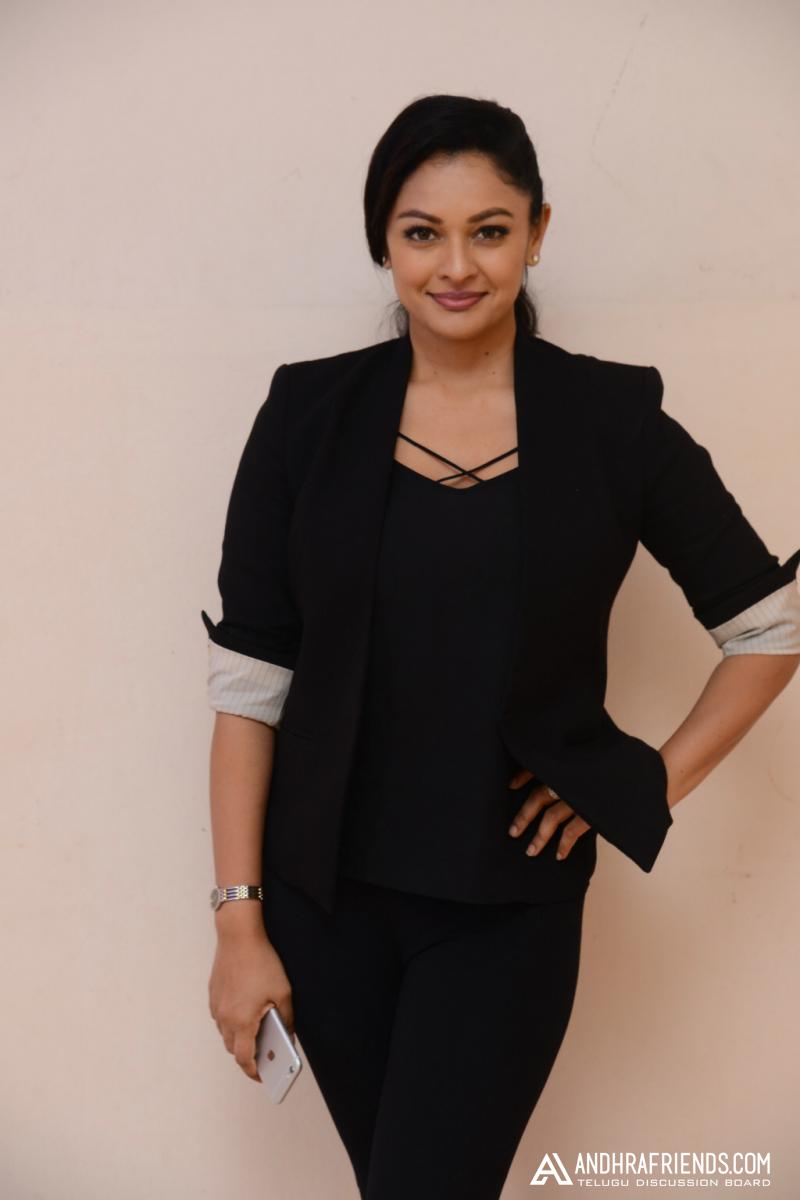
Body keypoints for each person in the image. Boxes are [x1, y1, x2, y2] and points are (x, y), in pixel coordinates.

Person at [203, 95, 800, 1200]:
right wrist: (239, 923)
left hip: (507, 907)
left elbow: (769, 625)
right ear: (383, 241)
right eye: (420, 232)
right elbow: (250, 684)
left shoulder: (612, 421)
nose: (455, 265)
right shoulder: (306, 415)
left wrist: (641, 782)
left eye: (488, 230)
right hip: (321, 906)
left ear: (536, 231)